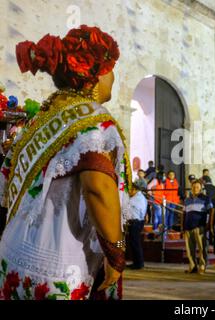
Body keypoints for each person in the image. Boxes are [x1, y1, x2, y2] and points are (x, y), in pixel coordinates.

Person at [0, 26, 130, 300]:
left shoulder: (41, 119)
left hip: (14, 256)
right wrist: (116, 252)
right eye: (109, 68)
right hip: (58, 267)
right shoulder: (94, 122)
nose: (113, 76)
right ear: (94, 75)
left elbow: (6, 182)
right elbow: (98, 188)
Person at [182, 180, 213, 274]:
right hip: (188, 227)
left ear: (201, 188)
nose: (195, 189)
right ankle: (192, 266)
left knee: (202, 248)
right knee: (189, 249)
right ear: (191, 188)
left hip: (199, 226)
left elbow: (211, 211)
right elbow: (184, 213)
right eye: (194, 187)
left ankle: (202, 266)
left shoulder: (206, 199)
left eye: (197, 187)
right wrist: (182, 226)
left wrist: (209, 225)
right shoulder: (187, 200)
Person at [127, 184, 148, 270]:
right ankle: (136, 262)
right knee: (132, 242)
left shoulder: (137, 198)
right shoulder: (138, 197)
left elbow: (125, 203)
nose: (128, 192)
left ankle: (139, 263)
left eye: (129, 190)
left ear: (134, 189)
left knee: (135, 243)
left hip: (135, 222)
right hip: (132, 222)